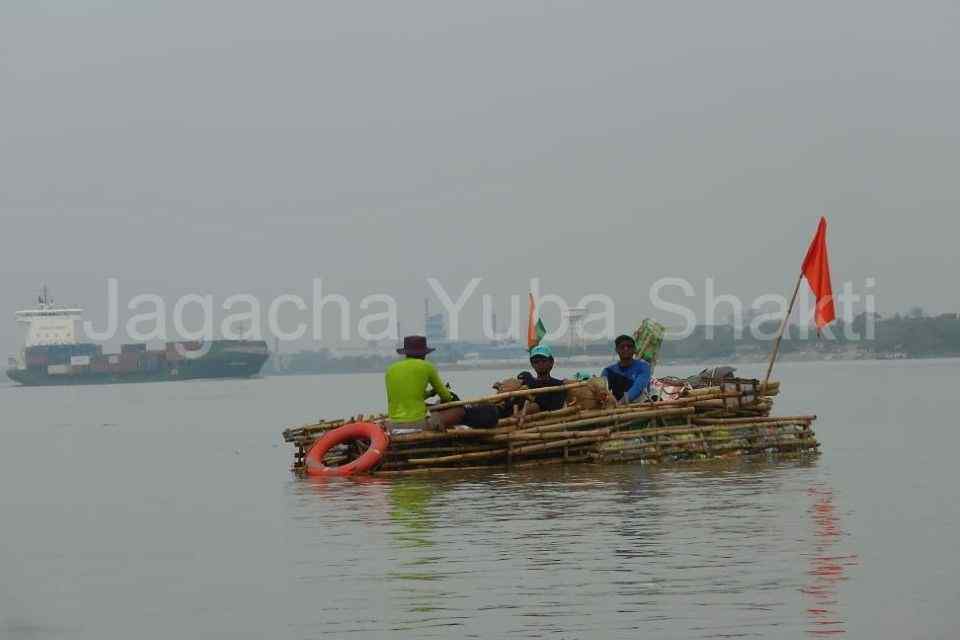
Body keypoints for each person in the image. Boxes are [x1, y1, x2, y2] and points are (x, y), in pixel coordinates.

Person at [385, 336, 464, 432]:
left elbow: (405, 396)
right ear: (424, 354)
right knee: (459, 411)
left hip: (393, 425)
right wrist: (445, 393)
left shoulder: (390, 369)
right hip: (418, 424)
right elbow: (446, 397)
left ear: (405, 353)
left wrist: (431, 393)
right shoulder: (428, 367)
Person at [495, 344, 567, 417]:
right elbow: (513, 402)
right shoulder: (528, 381)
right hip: (510, 415)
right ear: (532, 364)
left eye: (543, 361)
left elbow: (553, 408)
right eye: (536, 362)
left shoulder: (558, 385)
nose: (540, 364)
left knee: (535, 406)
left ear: (551, 362)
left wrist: (530, 396)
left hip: (538, 420)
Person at [601, 334, 651, 404]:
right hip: (617, 406)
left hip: (639, 406)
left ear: (634, 349)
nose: (626, 349)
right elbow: (602, 391)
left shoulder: (644, 367)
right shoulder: (608, 371)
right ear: (617, 350)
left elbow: (638, 387)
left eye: (629, 346)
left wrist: (621, 403)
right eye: (622, 347)